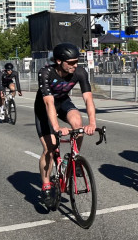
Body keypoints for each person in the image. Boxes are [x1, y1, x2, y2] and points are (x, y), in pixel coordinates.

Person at [34, 43, 97, 201]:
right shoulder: (46, 72)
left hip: (63, 102)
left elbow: (88, 99)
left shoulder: (80, 72)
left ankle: (73, 159)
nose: (75, 65)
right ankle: (46, 184)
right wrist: (56, 127)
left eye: (76, 61)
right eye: (71, 62)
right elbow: (48, 103)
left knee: (78, 124)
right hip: (44, 108)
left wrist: (92, 123)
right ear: (58, 61)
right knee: (50, 147)